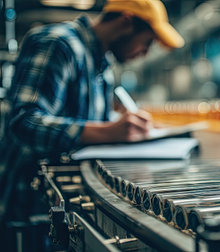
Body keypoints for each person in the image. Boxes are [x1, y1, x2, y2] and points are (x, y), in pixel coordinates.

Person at [0, 0, 184, 240]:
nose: (145, 53)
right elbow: (24, 122)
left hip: (63, 203)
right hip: (27, 205)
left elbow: (93, 119)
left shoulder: (102, 65)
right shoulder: (58, 43)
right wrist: (110, 131)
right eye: (147, 42)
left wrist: (128, 125)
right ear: (126, 21)